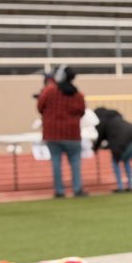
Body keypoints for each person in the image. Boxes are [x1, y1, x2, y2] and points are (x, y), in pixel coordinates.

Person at [37, 64, 87, 198]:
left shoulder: (49, 91)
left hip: (52, 133)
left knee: (56, 162)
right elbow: (82, 112)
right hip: (72, 134)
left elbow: (40, 106)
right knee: (75, 162)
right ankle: (77, 189)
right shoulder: (78, 95)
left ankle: (59, 190)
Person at [92, 107, 132, 193]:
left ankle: (120, 187)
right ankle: (130, 185)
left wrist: (94, 148)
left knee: (116, 162)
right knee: (126, 161)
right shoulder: (117, 119)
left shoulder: (103, 122)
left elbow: (100, 137)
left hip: (125, 142)